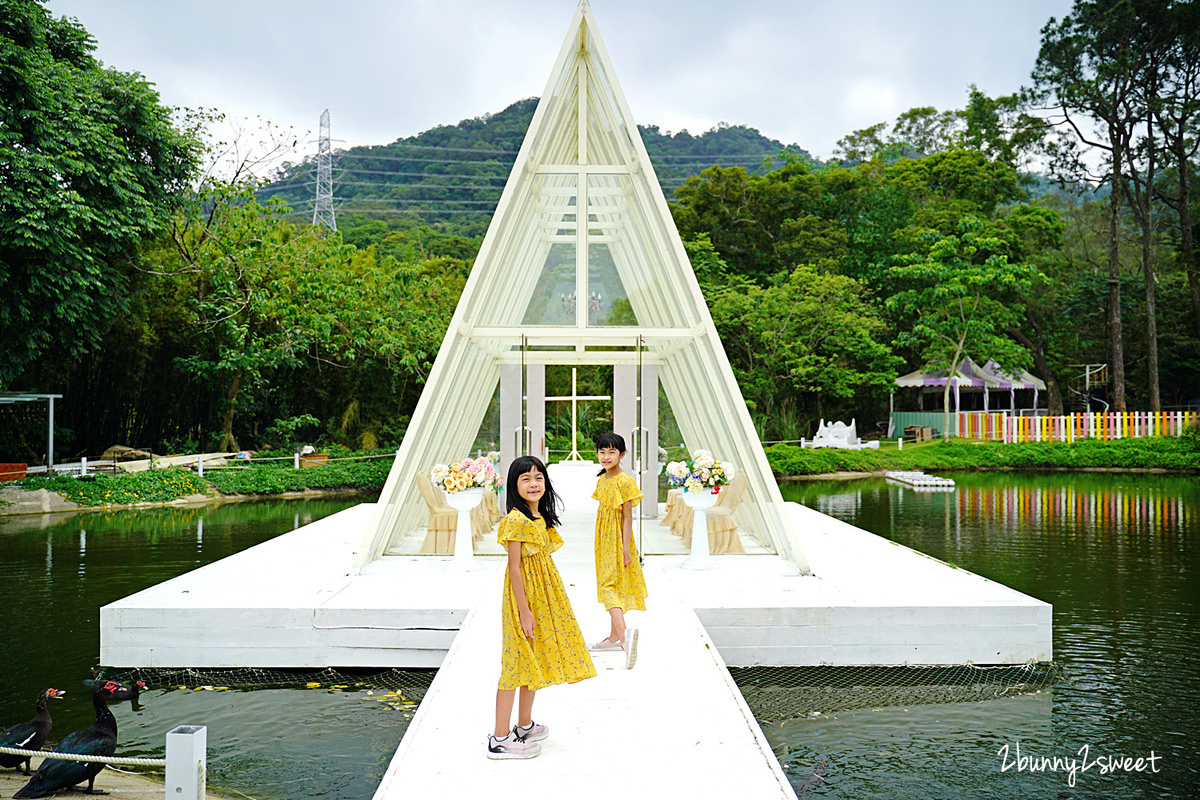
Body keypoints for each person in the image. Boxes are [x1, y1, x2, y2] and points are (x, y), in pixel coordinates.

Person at [488, 455, 596, 760]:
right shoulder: (515, 520)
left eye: (538, 477)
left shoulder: (539, 517)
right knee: (515, 663)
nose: (534, 484)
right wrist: (524, 610)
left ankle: (523, 725)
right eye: (526, 479)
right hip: (523, 599)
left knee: (533, 659)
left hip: (543, 597)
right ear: (514, 485)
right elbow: (514, 569)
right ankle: (498, 738)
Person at [588, 432, 648, 668]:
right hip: (602, 538)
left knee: (608, 586)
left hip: (617, 539)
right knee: (612, 583)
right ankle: (613, 637)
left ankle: (624, 638)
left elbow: (627, 517)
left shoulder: (625, 481)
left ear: (621, 455)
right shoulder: (603, 479)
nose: (606, 456)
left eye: (612, 452)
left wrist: (625, 549)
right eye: (602, 452)